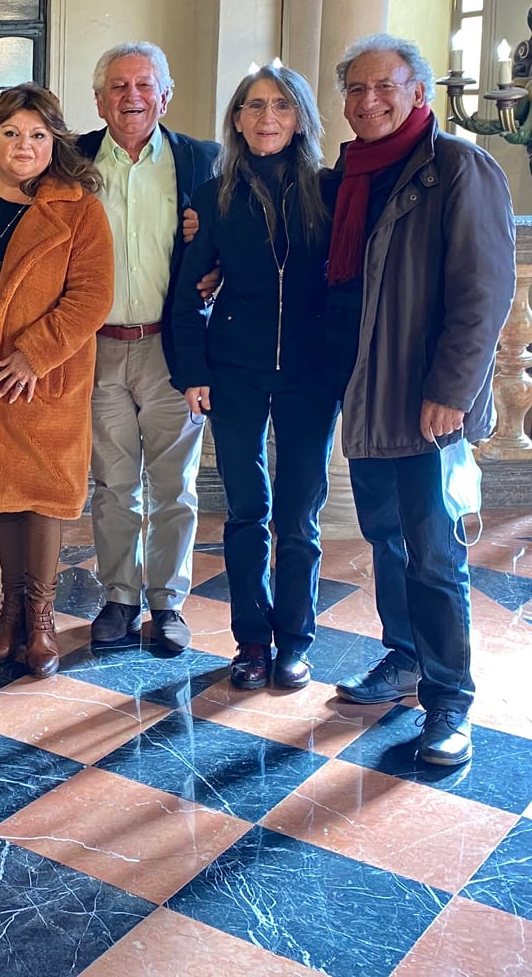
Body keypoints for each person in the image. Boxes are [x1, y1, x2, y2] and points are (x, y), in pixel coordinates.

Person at [324, 35, 515, 767]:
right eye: (356, 89)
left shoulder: (459, 169)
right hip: (368, 399)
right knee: (387, 538)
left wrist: (451, 392)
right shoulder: (350, 177)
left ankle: (449, 700)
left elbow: (484, 292)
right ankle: (402, 658)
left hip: (428, 403)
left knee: (435, 556)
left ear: (418, 93)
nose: (368, 101)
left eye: (385, 87)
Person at [0, 86, 113, 677]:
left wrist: (35, 354)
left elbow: (91, 297)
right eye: (12, 134)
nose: (25, 146)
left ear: (54, 141)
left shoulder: (78, 206)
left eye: (37, 135)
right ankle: (8, 616)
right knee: (1, 493)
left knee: (40, 496)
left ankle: (40, 622)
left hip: (41, 378)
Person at [173, 64, 337, 691]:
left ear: (300, 120)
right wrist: (192, 371)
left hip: (310, 374)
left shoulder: (329, 191)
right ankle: (251, 642)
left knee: (298, 514)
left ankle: (295, 641)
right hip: (234, 372)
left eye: (281, 106)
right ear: (237, 120)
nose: (267, 117)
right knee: (246, 511)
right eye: (254, 106)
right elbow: (188, 293)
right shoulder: (215, 198)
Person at [76, 43, 219, 654]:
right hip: (98, 348)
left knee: (174, 484)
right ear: (100, 99)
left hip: (171, 349)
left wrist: (212, 259)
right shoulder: (72, 160)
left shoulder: (201, 161)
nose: (131, 97)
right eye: (117, 86)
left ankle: (167, 604)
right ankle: (118, 597)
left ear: (166, 94)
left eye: (143, 85)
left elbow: (229, 240)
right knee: (111, 483)